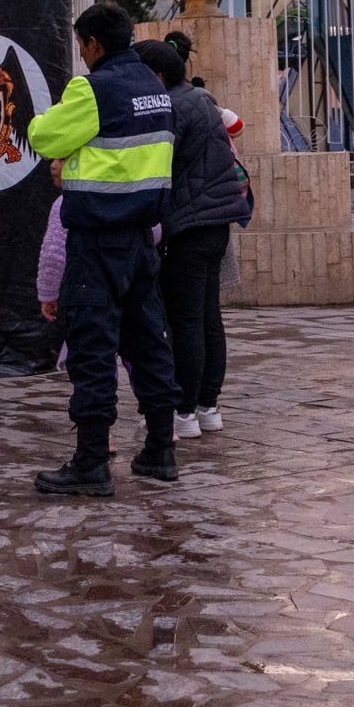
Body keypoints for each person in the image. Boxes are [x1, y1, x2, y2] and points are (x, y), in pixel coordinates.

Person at [26, 3, 182, 498]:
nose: (81, 55)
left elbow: (43, 134)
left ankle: (91, 462)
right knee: (148, 345)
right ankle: (160, 450)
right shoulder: (154, 91)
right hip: (142, 242)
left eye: (80, 46)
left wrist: (67, 156)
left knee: (92, 350)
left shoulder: (92, 88)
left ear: (93, 44)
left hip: (97, 242)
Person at [133, 38, 251, 440]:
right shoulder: (203, 100)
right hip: (216, 225)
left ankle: (182, 411)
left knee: (183, 322)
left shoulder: (171, 109)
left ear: (157, 76)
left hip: (186, 226)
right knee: (207, 318)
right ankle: (207, 407)